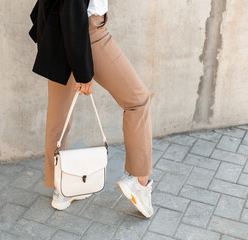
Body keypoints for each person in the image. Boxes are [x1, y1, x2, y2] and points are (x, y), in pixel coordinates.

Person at [29, 0, 154, 218]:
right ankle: (139, 181)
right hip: (85, 32)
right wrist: (83, 71)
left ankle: (62, 189)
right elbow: (73, 8)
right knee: (138, 101)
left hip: (61, 32)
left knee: (58, 119)